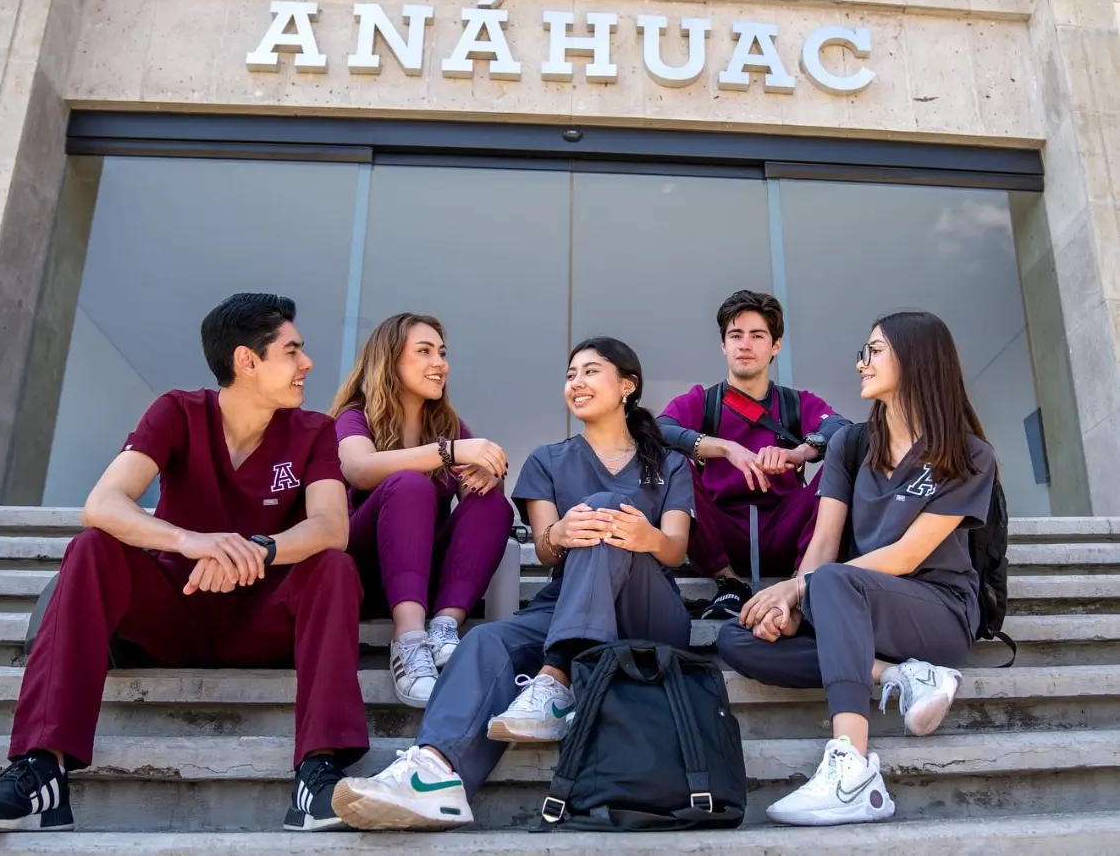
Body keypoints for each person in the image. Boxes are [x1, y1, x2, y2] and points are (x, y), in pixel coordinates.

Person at [0, 294, 369, 834]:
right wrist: (193, 542)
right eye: (293, 351)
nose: (307, 364)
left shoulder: (312, 431)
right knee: (92, 546)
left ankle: (318, 774)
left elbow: (332, 525)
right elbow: (104, 503)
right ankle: (40, 772)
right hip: (177, 611)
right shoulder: (178, 412)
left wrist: (256, 549)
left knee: (334, 567)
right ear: (247, 361)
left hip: (265, 619)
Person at [329, 337, 695, 831]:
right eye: (570, 375)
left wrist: (646, 536)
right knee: (484, 639)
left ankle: (555, 677)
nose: (577, 383)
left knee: (604, 506)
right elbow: (545, 549)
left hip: (649, 608)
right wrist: (561, 533)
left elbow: (675, 548)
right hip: (568, 600)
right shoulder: (547, 460)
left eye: (590, 372)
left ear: (627, 386)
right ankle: (435, 774)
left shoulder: (667, 463)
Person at [717, 310, 997, 827]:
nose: (860, 363)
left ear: (914, 360)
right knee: (738, 638)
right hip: (852, 609)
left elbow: (907, 556)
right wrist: (793, 600)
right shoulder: (851, 444)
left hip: (936, 609)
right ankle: (900, 676)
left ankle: (852, 769)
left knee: (831, 581)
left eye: (873, 351)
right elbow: (823, 544)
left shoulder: (968, 454)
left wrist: (801, 590)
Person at [330, 313, 514, 708]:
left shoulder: (447, 423)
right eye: (425, 351)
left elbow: (478, 511)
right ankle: (409, 642)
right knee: (410, 483)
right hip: (368, 572)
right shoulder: (355, 417)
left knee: (492, 501)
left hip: (428, 577)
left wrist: (484, 474)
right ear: (390, 359)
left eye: (442, 353)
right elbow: (359, 470)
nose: (440, 363)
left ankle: (445, 628)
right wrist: (446, 453)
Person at [658, 290, 849, 618]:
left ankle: (797, 588)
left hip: (787, 530)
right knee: (673, 464)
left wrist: (799, 453)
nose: (745, 344)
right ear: (723, 346)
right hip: (719, 536)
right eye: (736, 335)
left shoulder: (796, 403)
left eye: (757, 335)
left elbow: (843, 431)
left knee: (842, 465)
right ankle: (729, 584)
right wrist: (725, 447)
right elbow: (659, 430)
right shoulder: (703, 403)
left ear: (775, 346)